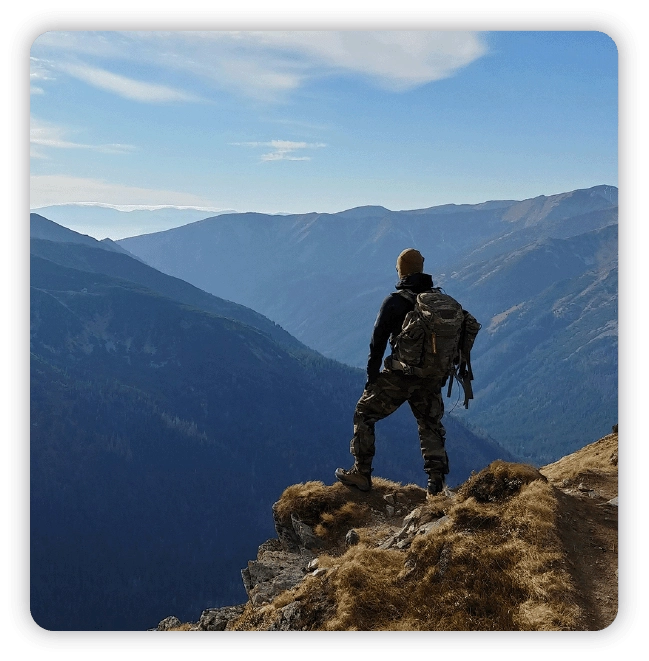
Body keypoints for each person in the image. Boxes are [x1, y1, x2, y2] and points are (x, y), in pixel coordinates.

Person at [335, 248, 468, 497]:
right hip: (430, 378)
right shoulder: (437, 302)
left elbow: (377, 342)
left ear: (402, 270)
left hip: (399, 376)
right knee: (430, 424)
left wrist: (371, 379)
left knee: (364, 413)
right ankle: (436, 484)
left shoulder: (395, 302)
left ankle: (362, 473)